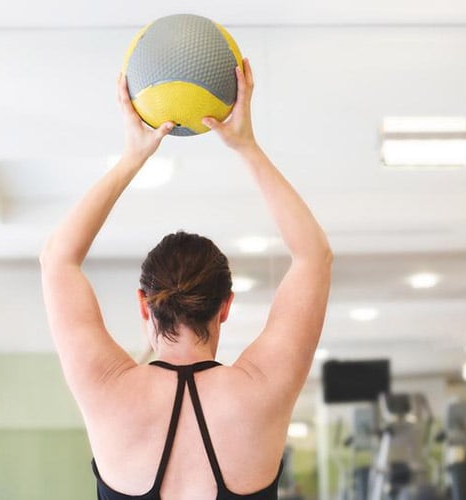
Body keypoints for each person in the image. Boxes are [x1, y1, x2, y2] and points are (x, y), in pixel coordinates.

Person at [40, 58, 332, 500]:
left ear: (145, 304)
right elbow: (313, 256)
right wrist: (246, 146)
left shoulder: (107, 388)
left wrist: (132, 156)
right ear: (226, 306)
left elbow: (57, 258)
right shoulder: (261, 390)